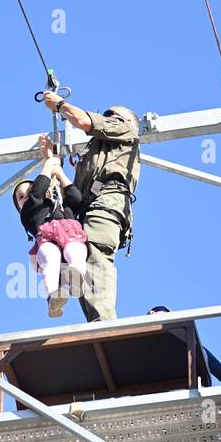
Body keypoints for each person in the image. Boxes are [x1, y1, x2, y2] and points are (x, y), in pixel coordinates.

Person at [39, 92, 140, 322]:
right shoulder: (95, 154)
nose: (106, 118)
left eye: (111, 116)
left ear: (126, 123)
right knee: (82, 267)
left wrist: (60, 105)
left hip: (106, 206)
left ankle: (104, 325)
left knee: (95, 260)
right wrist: (53, 162)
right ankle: (97, 324)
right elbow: (74, 195)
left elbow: (85, 121)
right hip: (92, 208)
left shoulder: (125, 132)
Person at [14, 135, 89, 318]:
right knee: (50, 257)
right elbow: (38, 191)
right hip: (47, 240)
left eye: (27, 193)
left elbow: (76, 199)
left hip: (71, 236)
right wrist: (49, 162)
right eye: (21, 197)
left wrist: (59, 173)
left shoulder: (61, 206)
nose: (26, 197)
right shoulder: (29, 213)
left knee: (75, 249)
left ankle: (76, 275)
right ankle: (54, 295)